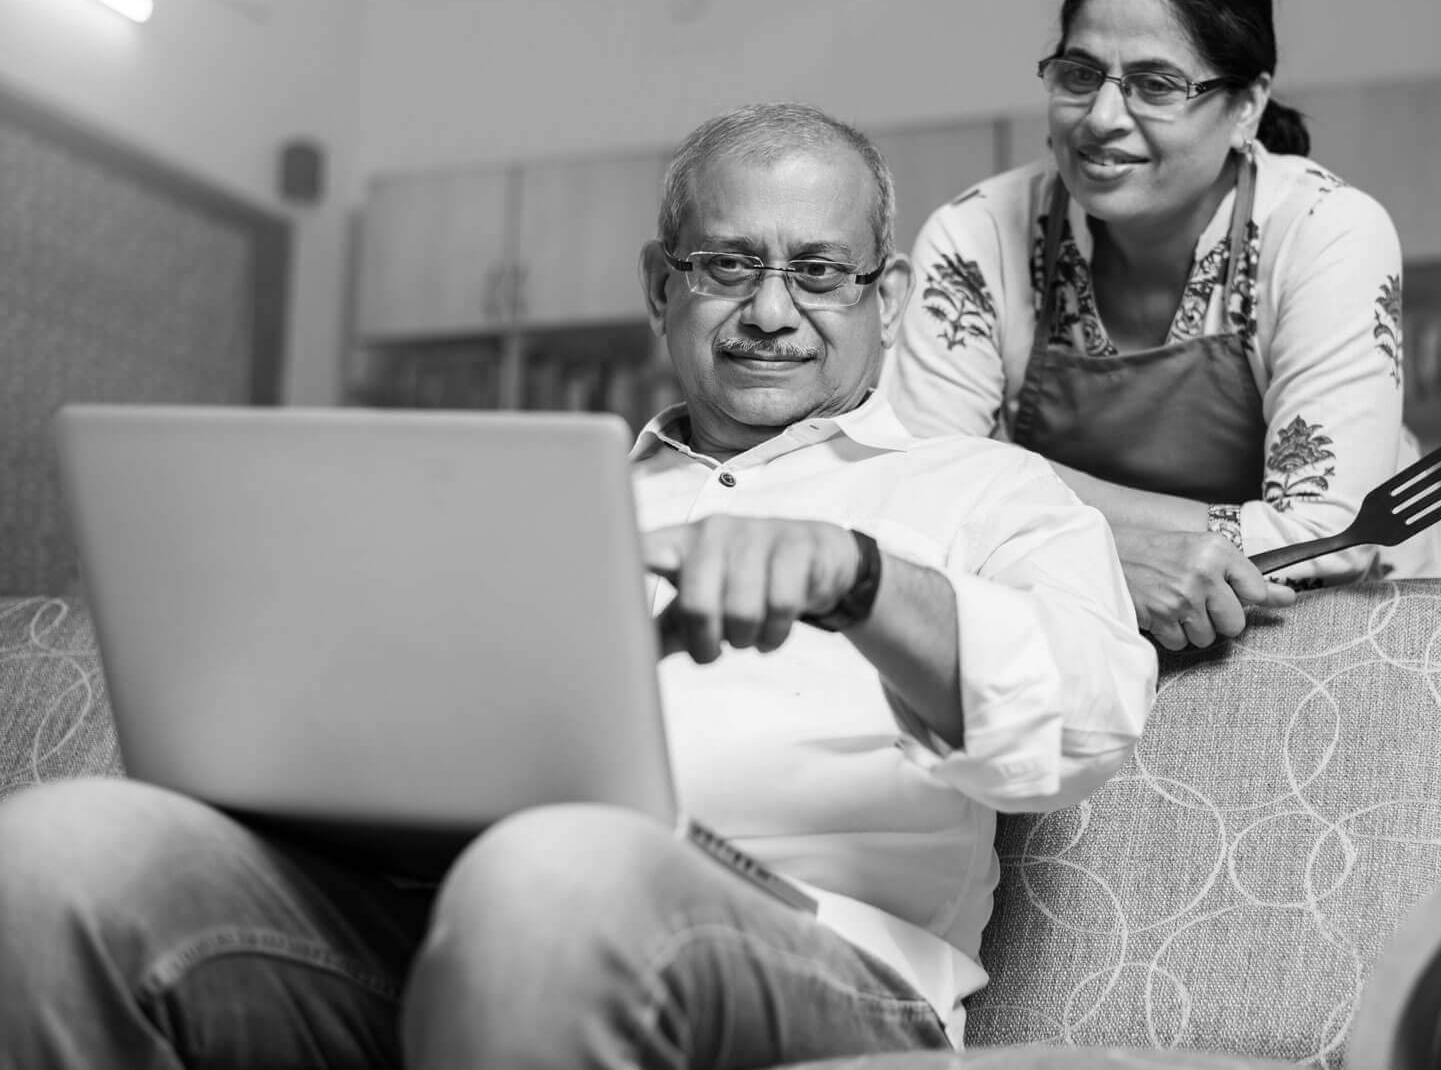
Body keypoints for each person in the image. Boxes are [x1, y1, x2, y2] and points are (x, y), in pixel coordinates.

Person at [0, 103, 1161, 1070]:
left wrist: (857, 578)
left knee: (548, 872)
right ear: (662, 285)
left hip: (819, 959)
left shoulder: (988, 489)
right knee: (58, 853)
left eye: (816, 270)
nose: (769, 311)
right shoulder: (533, 492)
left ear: (889, 297)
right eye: (725, 264)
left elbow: (1088, 714)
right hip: (428, 911)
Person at [885, 0, 1441, 655]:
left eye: (1156, 85)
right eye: (1078, 74)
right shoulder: (976, 239)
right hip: (1120, 641)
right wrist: (1122, 555)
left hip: (1366, 634)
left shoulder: (1325, 231)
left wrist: (1018, 485)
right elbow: (917, 504)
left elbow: (1328, 537)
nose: (1102, 118)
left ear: (1247, 104)